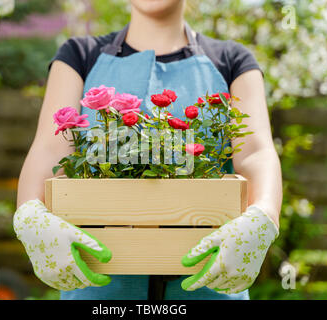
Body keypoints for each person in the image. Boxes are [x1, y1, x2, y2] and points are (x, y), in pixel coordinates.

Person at [14, 0, 282, 300]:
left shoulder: (232, 60)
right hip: (100, 294)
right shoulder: (79, 56)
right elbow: (50, 149)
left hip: (208, 290)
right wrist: (30, 214)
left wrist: (264, 215)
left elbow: (257, 152)